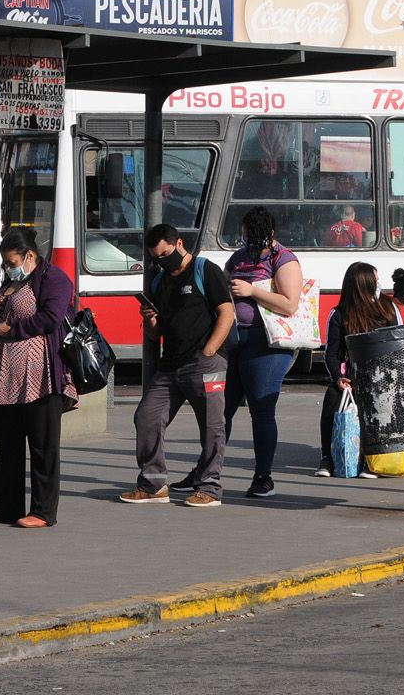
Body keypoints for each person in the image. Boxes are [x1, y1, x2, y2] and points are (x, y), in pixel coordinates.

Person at [0, 227, 77, 528]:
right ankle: (2, 506)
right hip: (5, 378)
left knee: (42, 447)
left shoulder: (52, 279)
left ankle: (42, 510)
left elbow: (51, 318)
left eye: (12, 262)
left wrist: (10, 330)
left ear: (30, 256)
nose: (8, 268)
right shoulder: (11, 283)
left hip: (40, 376)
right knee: (6, 445)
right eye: (5, 263)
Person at [123, 224, 235, 507]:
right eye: (156, 257)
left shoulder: (205, 270)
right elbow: (154, 332)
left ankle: (209, 488)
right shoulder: (160, 281)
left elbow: (226, 311)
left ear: (179, 243)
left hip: (205, 363)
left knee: (212, 426)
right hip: (170, 365)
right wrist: (149, 318)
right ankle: (153, 484)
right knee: (147, 417)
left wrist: (210, 349)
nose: (162, 261)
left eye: (166, 254)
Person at [205, 206, 302, 499]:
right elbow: (220, 287)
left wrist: (251, 291)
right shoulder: (239, 257)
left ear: (270, 234)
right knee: (220, 410)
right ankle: (209, 472)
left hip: (266, 345)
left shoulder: (283, 259)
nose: (248, 239)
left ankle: (263, 477)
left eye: (254, 235)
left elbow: (289, 304)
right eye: (246, 233)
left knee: (261, 409)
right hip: (235, 341)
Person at [316, 262, 400, 478]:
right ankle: (329, 457)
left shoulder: (388, 308)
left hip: (383, 377)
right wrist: (338, 377)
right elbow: (331, 353)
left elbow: (398, 343)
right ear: (365, 283)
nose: (379, 282)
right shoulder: (339, 314)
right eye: (376, 278)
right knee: (332, 398)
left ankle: (372, 459)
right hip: (351, 377)